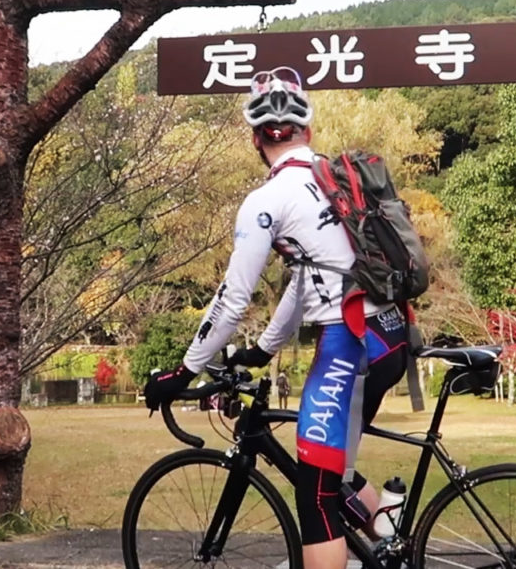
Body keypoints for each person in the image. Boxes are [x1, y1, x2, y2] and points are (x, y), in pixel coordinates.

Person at [144, 66, 409, 568]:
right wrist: (264, 348)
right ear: (307, 132)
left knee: (315, 496)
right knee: (334, 472)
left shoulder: (266, 201)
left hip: (350, 344)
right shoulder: (333, 179)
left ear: (255, 139)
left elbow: (230, 300)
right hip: (391, 335)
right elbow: (309, 279)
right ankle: (387, 532)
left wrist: (183, 371)